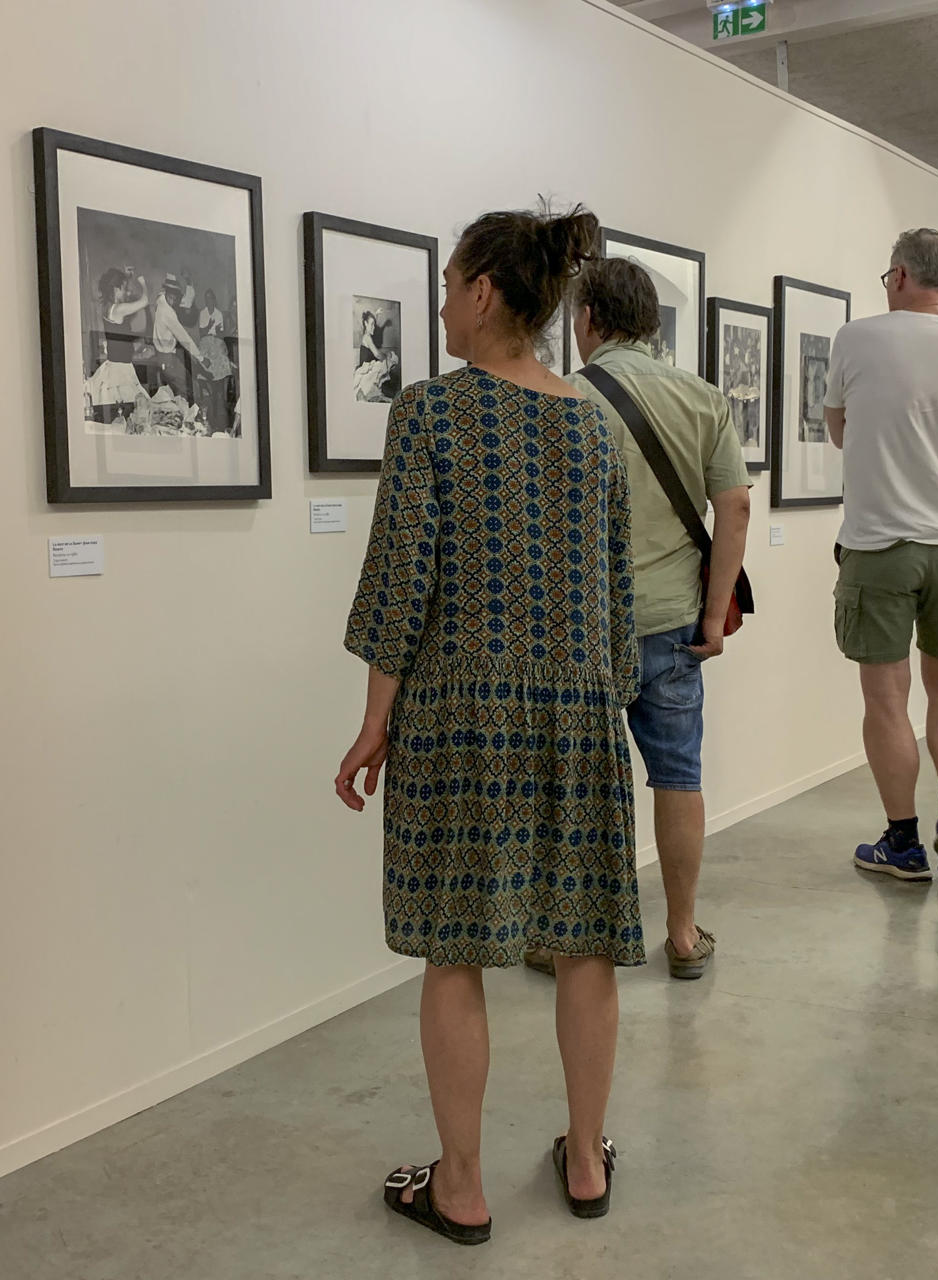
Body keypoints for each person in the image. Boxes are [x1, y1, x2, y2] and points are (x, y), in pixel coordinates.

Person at [334, 205, 641, 1243]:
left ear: (481, 293)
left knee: (455, 950)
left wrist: (376, 719)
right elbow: (613, 588)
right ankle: (588, 1159)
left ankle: (459, 1185)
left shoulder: (432, 412)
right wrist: (606, 699)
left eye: (450, 279)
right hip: (580, 709)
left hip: (462, 717)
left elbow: (398, 579)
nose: (439, 302)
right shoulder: (594, 421)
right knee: (585, 941)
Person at [525, 256, 750, 981]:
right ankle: (682, 934)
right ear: (651, 321)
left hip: (583, 631)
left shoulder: (561, 399)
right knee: (678, 776)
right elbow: (736, 508)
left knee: (573, 788)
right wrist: (714, 618)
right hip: (676, 624)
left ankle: (562, 942)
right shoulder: (703, 398)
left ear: (586, 319)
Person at [825, 228, 938, 882]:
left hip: (880, 544)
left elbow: (840, 430)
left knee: (886, 696)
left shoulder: (856, 338)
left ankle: (902, 843)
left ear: (899, 275)